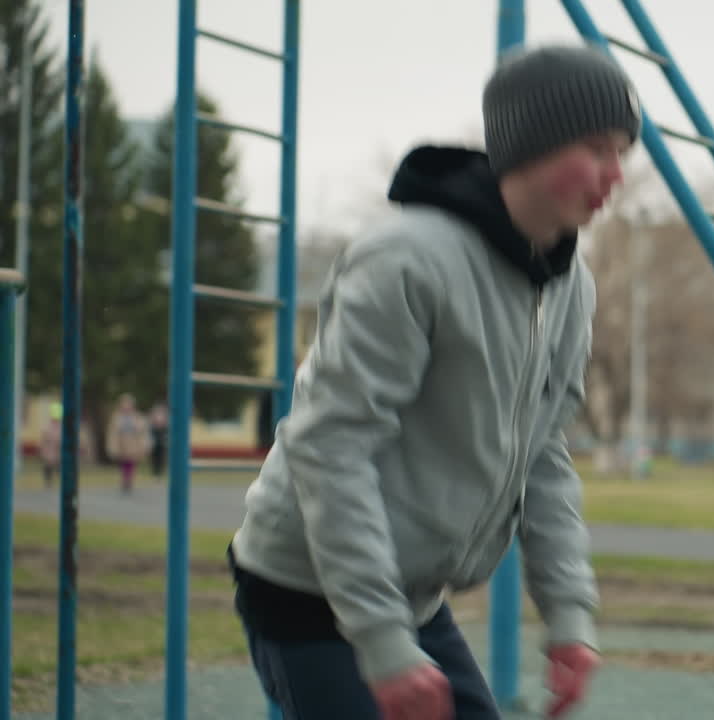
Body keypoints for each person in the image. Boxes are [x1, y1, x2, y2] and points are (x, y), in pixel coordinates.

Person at [227, 43, 641, 720]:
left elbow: (543, 454)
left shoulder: (569, 286)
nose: (614, 174)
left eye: (622, 152)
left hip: (405, 593)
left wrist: (569, 615)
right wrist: (385, 647)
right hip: (307, 586)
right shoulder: (407, 259)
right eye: (596, 149)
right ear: (529, 146)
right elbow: (331, 447)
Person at [106, 393, 152, 494]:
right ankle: (125, 479)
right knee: (124, 463)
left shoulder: (137, 417)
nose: (126, 407)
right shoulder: (117, 417)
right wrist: (113, 446)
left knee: (131, 462)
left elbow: (142, 431)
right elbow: (113, 433)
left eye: (128, 405)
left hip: (133, 444)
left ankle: (129, 480)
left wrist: (144, 445)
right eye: (124, 405)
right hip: (122, 443)